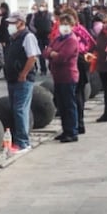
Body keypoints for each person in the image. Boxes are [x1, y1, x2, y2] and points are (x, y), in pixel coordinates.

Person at [3, 11, 40, 153]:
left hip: (23, 79)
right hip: (12, 77)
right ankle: (18, 139)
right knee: (15, 109)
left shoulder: (28, 36)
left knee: (20, 109)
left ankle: (23, 142)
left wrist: (24, 73)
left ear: (21, 22)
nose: (10, 25)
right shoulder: (14, 38)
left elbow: (32, 57)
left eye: (13, 22)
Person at [43, 13, 79, 142]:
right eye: (61, 24)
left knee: (69, 105)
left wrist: (52, 53)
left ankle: (72, 131)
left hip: (68, 76)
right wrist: (51, 53)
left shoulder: (72, 40)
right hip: (57, 76)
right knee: (61, 105)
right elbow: (46, 51)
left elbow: (62, 57)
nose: (63, 27)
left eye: (66, 24)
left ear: (72, 26)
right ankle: (65, 130)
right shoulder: (58, 39)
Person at [30, 3, 53, 76]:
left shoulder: (50, 14)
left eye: (43, 6)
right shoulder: (36, 15)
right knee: (41, 54)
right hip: (39, 36)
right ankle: (43, 69)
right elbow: (31, 24)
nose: (42, 7)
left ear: (46, 7)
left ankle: (51, 67)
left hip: (48, 36)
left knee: (50, 52)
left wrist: (52, 32)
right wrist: (36, 31)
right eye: (41, 5)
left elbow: (54, 23)